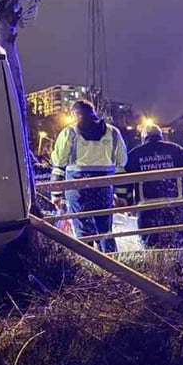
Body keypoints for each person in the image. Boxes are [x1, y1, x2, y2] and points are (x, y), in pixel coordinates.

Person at [50, 100, 128, 252]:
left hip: (78, 187)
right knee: (105, 230)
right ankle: (112, 261)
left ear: (75, 114)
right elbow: (121, 163)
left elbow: (59, 165)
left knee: (82, 231)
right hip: (103, 187)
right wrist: (121, 195)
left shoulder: (69, 132)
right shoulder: (113, 132)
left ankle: (87, 261)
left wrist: (56, 195)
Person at [124, 125, 183, 248]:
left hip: (147, 208)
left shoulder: (135, 154)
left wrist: (128, 202)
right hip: (175, 205)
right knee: (177, 244)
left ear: (144, 138)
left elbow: (125, 182)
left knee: (151, 246)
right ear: (161, 136)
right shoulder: (177, 150)